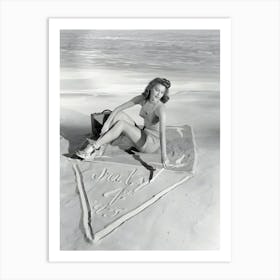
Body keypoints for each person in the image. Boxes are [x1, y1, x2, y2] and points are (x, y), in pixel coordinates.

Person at [76, 77, 171, 168]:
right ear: (150, 88)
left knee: (122, 124)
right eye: (157, 90)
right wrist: (106, 124)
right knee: (119, 114)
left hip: (150, 143)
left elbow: (162, 134)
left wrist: (164, 156)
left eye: (162, 92)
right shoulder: (142, 99)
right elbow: (118, 109)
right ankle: (101, 143)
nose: (158, 94)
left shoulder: (160, 108)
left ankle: (93, 147)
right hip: (143, 134)